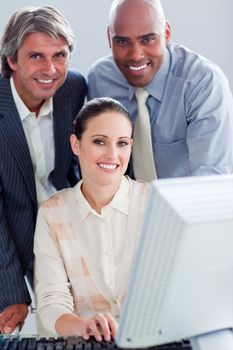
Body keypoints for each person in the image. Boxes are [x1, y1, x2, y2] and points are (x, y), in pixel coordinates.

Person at [0, 5, 87, 334]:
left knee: (78, 330)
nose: (50, 69)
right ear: (12, 60)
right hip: (9, 231)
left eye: (60, 55)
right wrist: (9, 290)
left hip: (63, 228)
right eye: (36, 56)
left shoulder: (75, 89)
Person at [34, 97, 150, 340]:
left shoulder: (155, 204)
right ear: (75, 144)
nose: (112, 155)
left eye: (122, 143)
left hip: (149, 340)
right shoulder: (52, 213)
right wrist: (82, 326)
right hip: (83, 343)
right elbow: (51, 300)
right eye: (99, 142)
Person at [87, 0, 233, 180]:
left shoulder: (203, 83)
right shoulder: (101, 79)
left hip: (186, 204)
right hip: (125, 203)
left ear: (167, 33)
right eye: (123, 42)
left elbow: (209, 180)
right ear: (109, 38)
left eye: (148, 40)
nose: (136, 55)